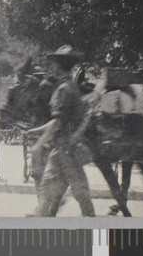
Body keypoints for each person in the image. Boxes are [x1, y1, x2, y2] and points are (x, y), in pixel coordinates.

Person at [26, 45, 95, 217]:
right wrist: (37, 131)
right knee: (52, 194)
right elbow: (60, 121)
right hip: (64, 150)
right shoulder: (72, 87)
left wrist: (39, 145)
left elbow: (57, 122)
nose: (52, 67)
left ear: (58, 66)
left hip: (64, 150)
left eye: (54, 64)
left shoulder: (63, 90)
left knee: (76, 195)